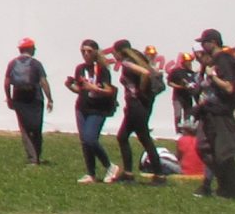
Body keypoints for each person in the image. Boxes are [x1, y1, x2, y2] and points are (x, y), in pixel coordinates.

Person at [189, 28, 235, 201]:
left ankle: (230, 186)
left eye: (204, 42)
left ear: (213, 42)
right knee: (204, 148)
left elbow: (230, 87)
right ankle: (231, 181)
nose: (202, 45)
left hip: (221, 112)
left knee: (223, 152)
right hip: (209, 111)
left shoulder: (223, 60)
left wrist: (213, 77)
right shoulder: (213, 61)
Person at [108, 41, 167, 183]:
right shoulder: (141, 59)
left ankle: (154, 174)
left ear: (119, 52)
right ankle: (150, 174)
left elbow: (145, 74)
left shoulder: (127, 63)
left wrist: (140, 91)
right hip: (142, 105)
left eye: (114, 53)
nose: (114, 56)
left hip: (136, 105)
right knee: (129, 137)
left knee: (138, 138)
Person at [69, 40, 119, 182]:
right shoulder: (80, 68)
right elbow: (80, 89)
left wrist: (95, 88)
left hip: (97, 108)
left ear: (95, 52)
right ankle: (91, 173)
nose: (86, 54)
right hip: (82, 107)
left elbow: (109, 90)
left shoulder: (102, 69)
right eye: (83, 51)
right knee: (84, 141)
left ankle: (109, 166)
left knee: (90, 138)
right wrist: (70, 86)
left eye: (89, 51)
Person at [3, 37, 50, 164]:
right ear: (30, 48)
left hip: (19, 98)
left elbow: (7, 82)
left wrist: (9, 98)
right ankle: (37, 156)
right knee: (36, 128)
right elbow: (43, 82)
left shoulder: (12, 63)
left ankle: (32, 158)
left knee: (24, 129)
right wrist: (50, 99)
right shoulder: (36, 63)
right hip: (35, 98)